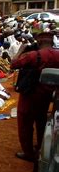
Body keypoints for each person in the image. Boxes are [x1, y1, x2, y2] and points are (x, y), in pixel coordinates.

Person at [11, 32, 59, 162]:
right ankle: (41, 148)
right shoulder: (57, 54)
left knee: (25, 123)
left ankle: (28, 152)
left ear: (39, 41)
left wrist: (21, 50)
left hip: (29, 95)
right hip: (47, 96)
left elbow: (13, 64)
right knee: (42, 121)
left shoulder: (33, 55)